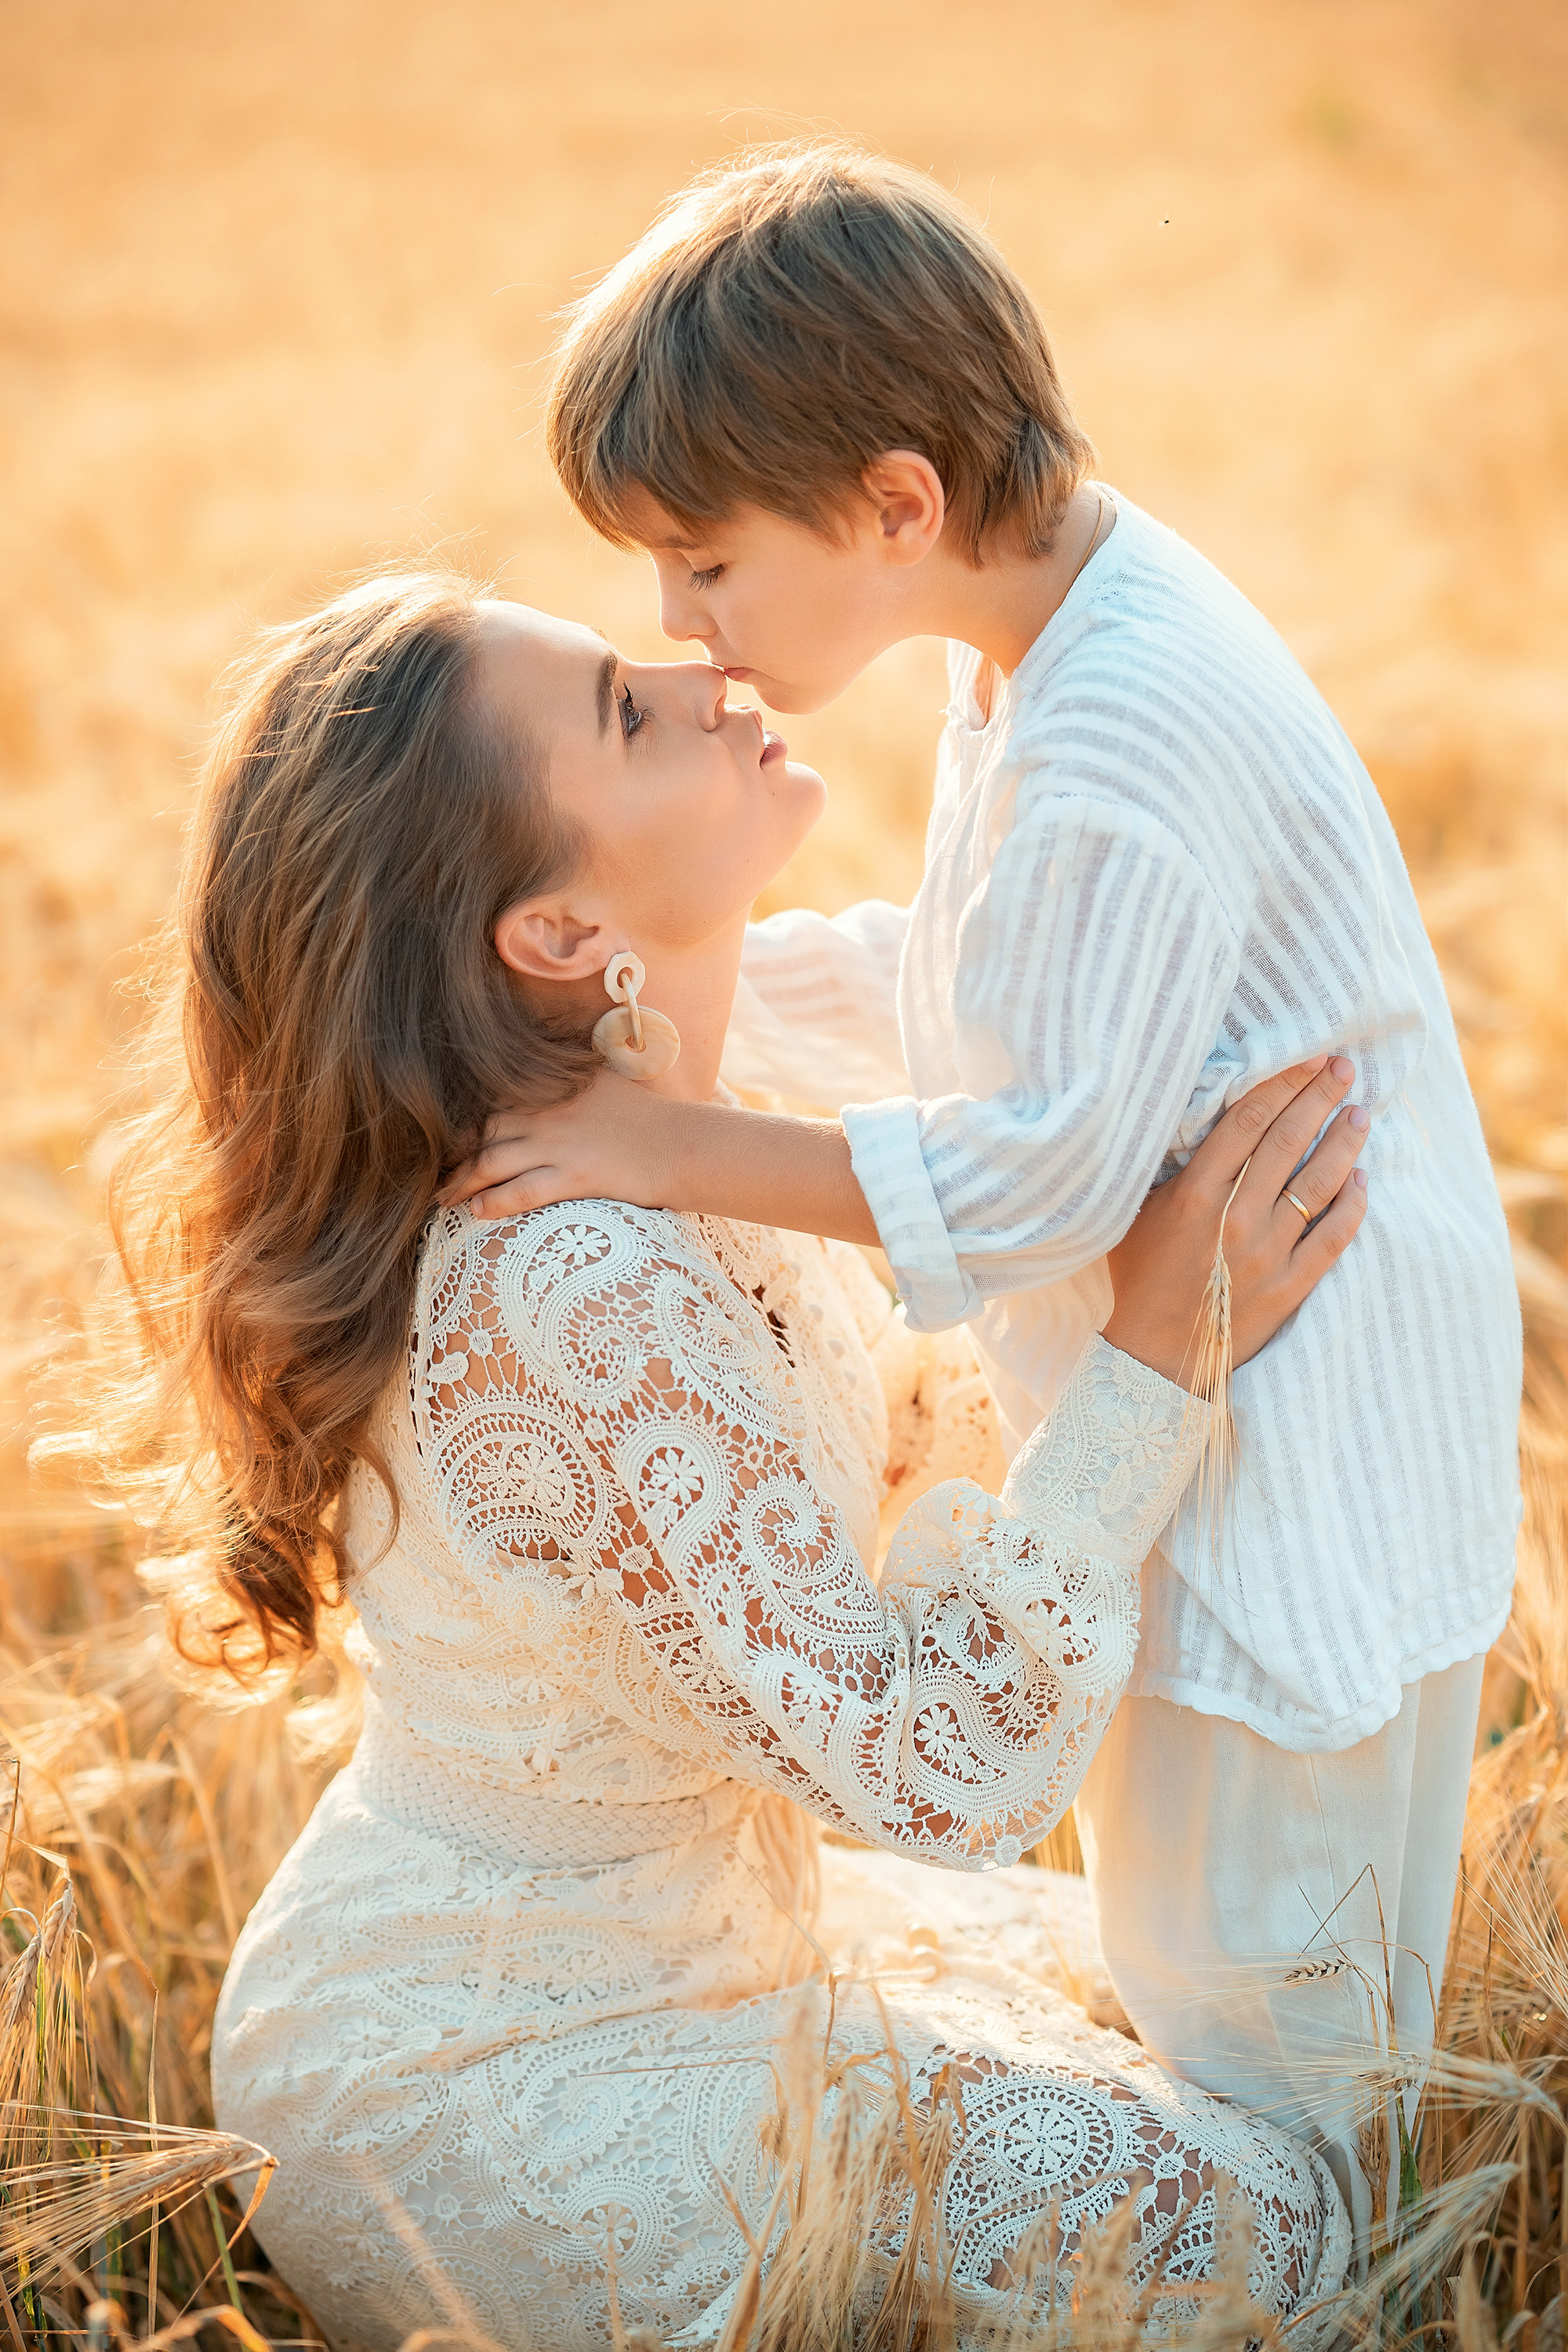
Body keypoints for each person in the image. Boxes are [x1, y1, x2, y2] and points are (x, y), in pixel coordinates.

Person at [450, 143, 1523, 2238]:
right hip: (1261, 1359)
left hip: (1293, 1400)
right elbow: (974, 993)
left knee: (1273, 2002)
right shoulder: (1036, 637)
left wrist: (671, 1140)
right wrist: (686, 1023)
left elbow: (1036, 1179)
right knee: (1211, 1931)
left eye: (704, 561)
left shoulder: (1116, 739)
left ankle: (1331, 2254)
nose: (676, 624)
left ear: (894, 504)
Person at [111, 574, 1367, 2348]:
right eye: (625, 710)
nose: (701, 675)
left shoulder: (685, 1151)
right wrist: (1161, 1347)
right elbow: (932, 1775)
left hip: (717, 1942)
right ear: (559, 932)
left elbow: (902, 1433)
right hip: (484, 2082)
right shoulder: (571, 1279)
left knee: (1264, 2043)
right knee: (1286, 2233)